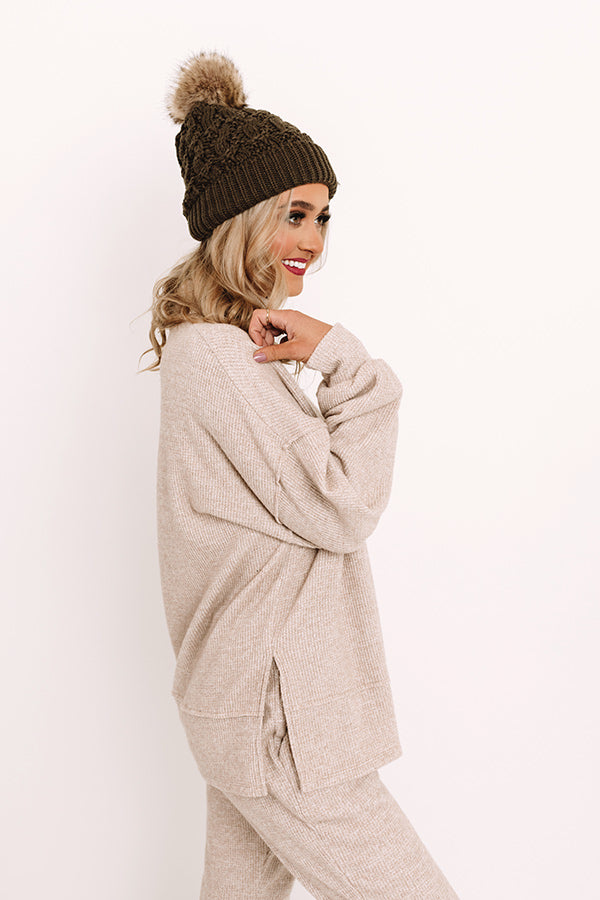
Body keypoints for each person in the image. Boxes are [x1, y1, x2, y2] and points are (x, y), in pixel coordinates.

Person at [147, 51, 460, 900]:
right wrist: (347, 364)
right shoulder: (221, 361)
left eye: (323, 217)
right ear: (241, 217)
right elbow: (341, 504)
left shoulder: (219, 352)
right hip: (280, 719)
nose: (314, 241)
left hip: (254, 704)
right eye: (295, 214)